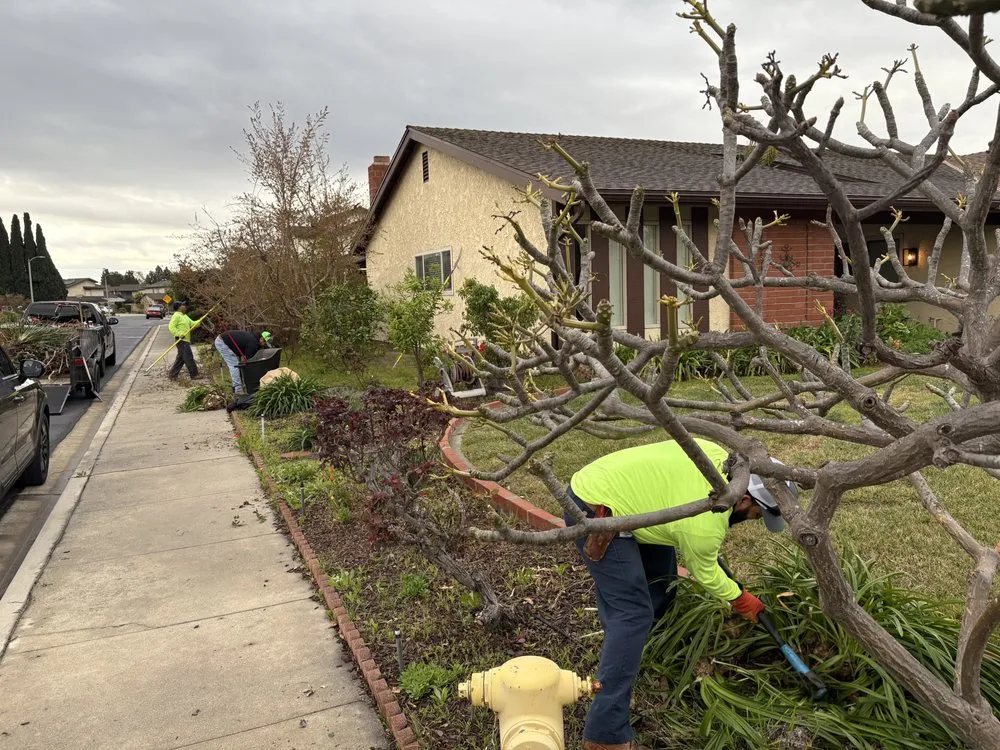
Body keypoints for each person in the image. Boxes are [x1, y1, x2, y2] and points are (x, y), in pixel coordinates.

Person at [565, 438, 796, 750]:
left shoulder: (721, 459)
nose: (749, 523)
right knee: (632, 615)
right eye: (756, 516)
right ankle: (604, 733)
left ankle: (625, 656)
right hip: (598, 508)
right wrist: (742, 600)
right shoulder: (704, 524)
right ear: (744, 502)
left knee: (659, 586)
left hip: (641, 501)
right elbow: (706, 571)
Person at [213, 330, 272, 394]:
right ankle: (238, 390)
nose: (264, 345)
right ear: (261, 339)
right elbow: (250, 360)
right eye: (265, 343)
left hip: (227, 342)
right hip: (222, 342)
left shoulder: (254, 339)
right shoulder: (253, 342)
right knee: (235, 365)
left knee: (238, 364)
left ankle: (242, 385)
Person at [168, 300, 200, 381]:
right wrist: (179, 334)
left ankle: (172, 375)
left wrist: (199, 321)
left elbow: (192, 324)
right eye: (183, 305)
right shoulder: (176, 316)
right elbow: (171, 327)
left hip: (186, 340)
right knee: (189, 357)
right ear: (179, 307)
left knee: (181, 359)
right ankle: (194, 375)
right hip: (181, 340)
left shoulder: (184, 316)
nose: (185, 306)